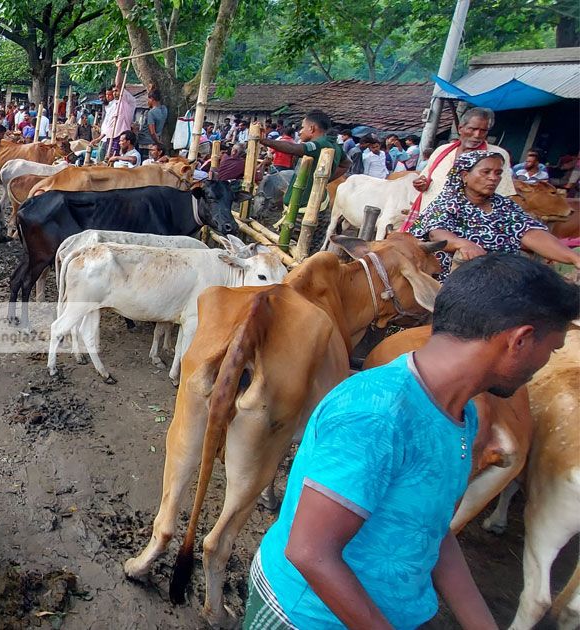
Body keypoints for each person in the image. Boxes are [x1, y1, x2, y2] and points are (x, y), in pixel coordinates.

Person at [247, 253, 579, 630]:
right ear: (520, 340)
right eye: (551, 350)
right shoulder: (376, 414)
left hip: (388, 611)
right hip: (309, 616)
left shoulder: (463, 413)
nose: (543, 366)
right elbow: (310, 552)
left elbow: (433, 530)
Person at [411, 150, 580, 279]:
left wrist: (573, 258)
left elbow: (530, 232)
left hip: (499, 278)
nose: (493, 178)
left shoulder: (504, 206)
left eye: (498, 173)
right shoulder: (448, 202)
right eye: (486, 172)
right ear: (465, 176)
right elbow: (437, 233)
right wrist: (461, 243)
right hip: (451, 280)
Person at [407, 107, 515, 228]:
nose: (477, 135)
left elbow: (504, 194)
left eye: (483, 131)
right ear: (460, 129)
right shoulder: (442, 150)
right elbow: (425, 178)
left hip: (465, 224)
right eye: (472, 129)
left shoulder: (497, 156)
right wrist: (421, 184)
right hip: (426, 217)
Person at [259, 109, 346, 209]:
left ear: (312, 128)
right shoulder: (334, 145)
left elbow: (293, 148)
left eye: (303, 127)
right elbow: (346, 163)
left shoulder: (319, 145)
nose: (300, 132)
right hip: (313, 202)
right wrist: (325, 179)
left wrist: (263, 141)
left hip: (305, 207)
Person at [138, 87, 168, 151]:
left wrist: (158, 143)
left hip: (145, 142)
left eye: (148, 99)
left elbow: (152, 132)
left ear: (152, 99)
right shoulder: (164, 109)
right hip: (156, 139)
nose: (147, 101)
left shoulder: (151, 113)